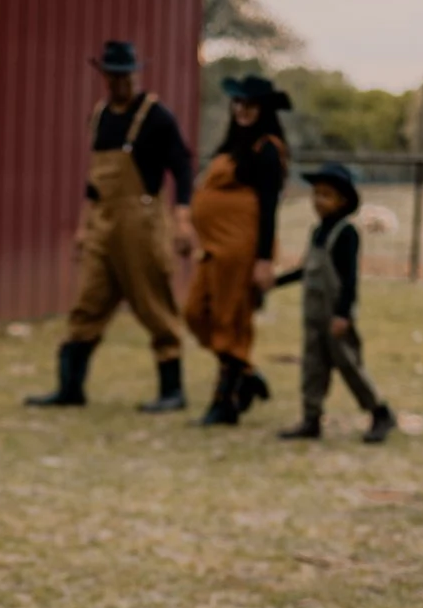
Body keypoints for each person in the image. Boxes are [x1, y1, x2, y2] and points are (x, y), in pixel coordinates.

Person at [26, 41, 196, 412]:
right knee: (89, 300)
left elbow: (182, 168)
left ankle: (172, 390)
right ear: (104, 76)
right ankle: (70, 388)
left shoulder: (156, 116)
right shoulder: (101, 115)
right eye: (114, 75)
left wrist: (183, 219)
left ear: (136, 73)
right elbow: (94, 180)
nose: (121, 82)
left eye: (127, 75)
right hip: (102, 222)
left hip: (142, 222)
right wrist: (83, 227)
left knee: (153, 302)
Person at [183, 75, 290, 426]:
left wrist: (263, 260)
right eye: (238, 103)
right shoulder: (231, 145)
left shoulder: (268, 148)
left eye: (250, 105)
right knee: (195, 312)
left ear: (263, 109)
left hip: (241, 252)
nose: (242, 110)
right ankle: (247, 373)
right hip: (213, 250)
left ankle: (225, 402)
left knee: (231, 322)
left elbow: (270, 207)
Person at [274, 162, 396, 443]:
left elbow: (350, 279)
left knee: (349, 365)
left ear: (343, 200)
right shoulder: (317, 231)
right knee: (312, 367)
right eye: (315, 194)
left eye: (326, 195)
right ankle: (311, 417)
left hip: (335, 316)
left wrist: (343, 314)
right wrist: (276, 282)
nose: (318, 201)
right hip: (313, 316)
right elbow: (306, 269)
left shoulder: (346, 233)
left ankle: (380, 412)